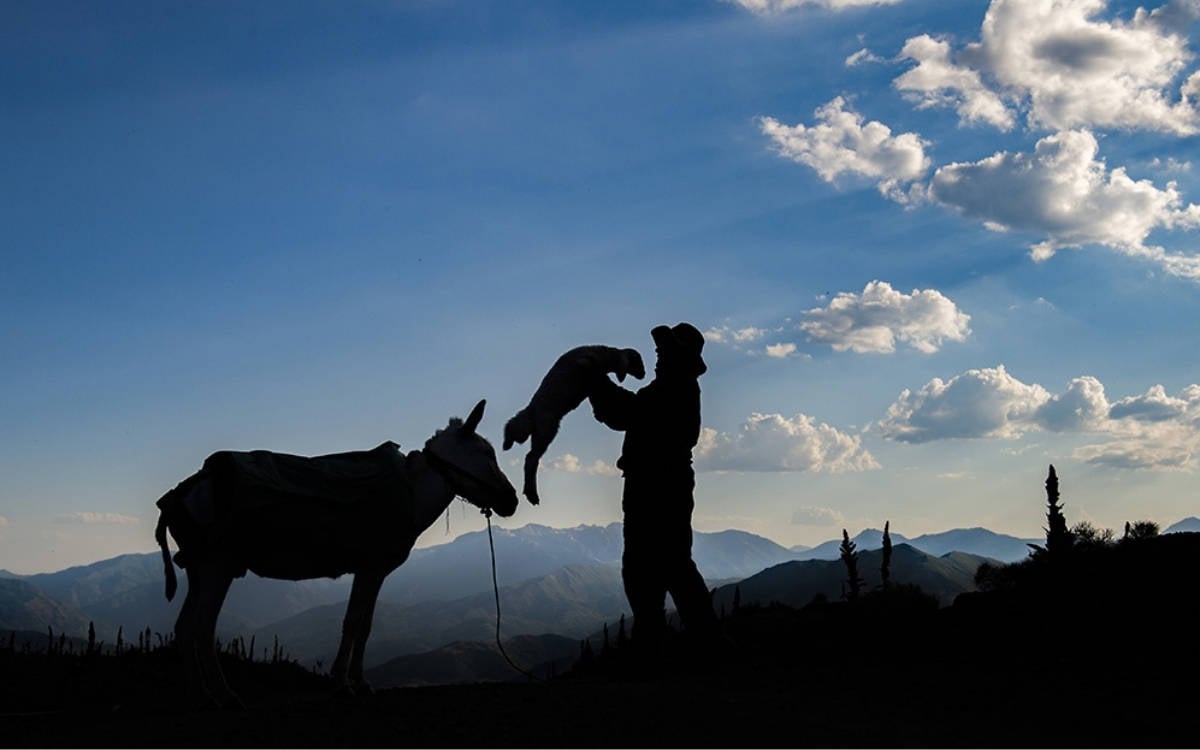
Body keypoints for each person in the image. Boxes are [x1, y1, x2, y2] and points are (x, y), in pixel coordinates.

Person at [588, 322, 720, 653]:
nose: (658, 357)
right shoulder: (673, 388)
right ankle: (689, 643)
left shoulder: (674, 390)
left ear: (679, 356)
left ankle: (679, 645)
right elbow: (625, 413)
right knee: (663, 565)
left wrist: (592, 379)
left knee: (656, 565)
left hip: (657, 486)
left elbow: (624, 413)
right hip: (658, 484)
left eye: (664, 352)